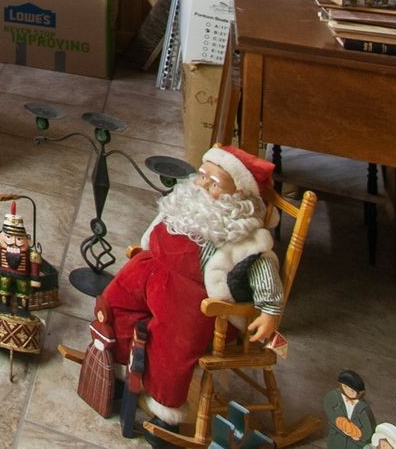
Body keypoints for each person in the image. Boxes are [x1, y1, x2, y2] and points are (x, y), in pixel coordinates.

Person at [86, 144, 287, 426]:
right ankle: (118, 371)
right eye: (202, 175)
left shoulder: (243, 236)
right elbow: (156, 232)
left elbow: (264, 272)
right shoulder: (185, 204)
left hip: (195, 300)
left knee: (172, 344)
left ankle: (164, 409)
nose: (202, 184)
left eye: (213, 182)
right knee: (115, 304)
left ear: (239, 195)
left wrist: (269, 311)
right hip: (151, 271)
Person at [327, 370, 376, 449]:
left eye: (353, 391)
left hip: (354, 444)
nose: (349, 392)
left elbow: (369, 430)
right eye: (345, 387)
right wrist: (337, 420)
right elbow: (329, 408)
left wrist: (359, 435)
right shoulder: (333, 396)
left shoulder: (363, 409)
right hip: (336, 437)